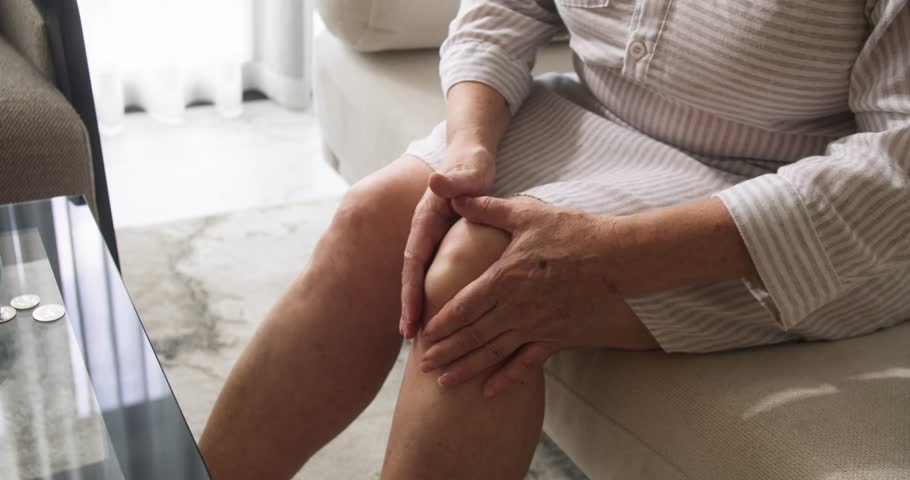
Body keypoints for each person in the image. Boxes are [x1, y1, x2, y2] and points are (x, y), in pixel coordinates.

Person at [199, 1, 910, 478]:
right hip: (595, 118)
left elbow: (896, 165)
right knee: (369, 216)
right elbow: (505, 7)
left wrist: (613, 253)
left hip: (796, 196)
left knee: (477, 281)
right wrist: (467, 148)